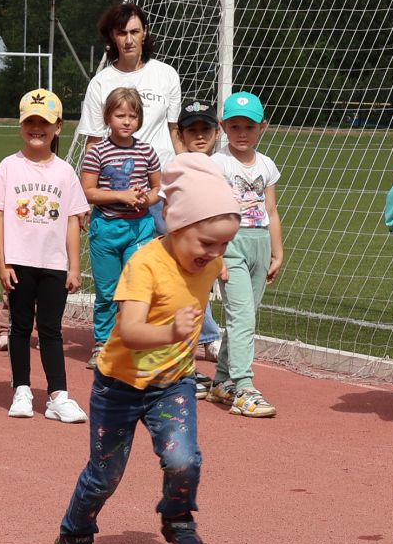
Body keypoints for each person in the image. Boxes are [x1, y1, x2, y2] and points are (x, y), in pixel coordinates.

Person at [54, 156, 239, 544]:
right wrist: (172, 331)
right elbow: (132, 331)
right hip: (118, 386)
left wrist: (220, 260)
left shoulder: (207, 260)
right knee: (105, 475)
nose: (214, 254)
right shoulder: (145, 265)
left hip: (171, 385)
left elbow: (212, 257)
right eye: (208, 243)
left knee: (184, 460)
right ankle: (75, 535)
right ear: (176, 226)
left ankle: (178, 518)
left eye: (224, 245)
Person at [0, 89, 89, 422]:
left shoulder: (65, 172)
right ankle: (22, 390)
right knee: (19, 327)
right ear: (20, 125)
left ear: (57, 127)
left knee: (51, 330)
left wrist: (74, 266)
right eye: (30, 121)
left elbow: (73, 220)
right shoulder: (8, 167)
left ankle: (58, 394)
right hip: (19, 261)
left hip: (54, 264)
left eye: (44, 122)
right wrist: (2, 262)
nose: (37, 128)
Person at [210, 89, 284, 416]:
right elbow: (209, 211)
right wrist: (215, 254)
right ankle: (243, 387)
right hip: (231, 244)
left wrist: (277, 252)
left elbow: (272, 209)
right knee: (242, 317)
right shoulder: (217, 163)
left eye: (249, 127)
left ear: (262, 128)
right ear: (223, 127)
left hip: (260, 242)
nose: (242, 133)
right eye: (235, 126)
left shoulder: (266, 165)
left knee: (245, 317)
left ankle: (222, 380)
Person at [80, 86, 162, 348]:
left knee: (136, 288)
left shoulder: (147, 152)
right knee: (107, 292)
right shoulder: (97, 152)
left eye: (133, 116)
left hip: (140, 227)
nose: (127, 121)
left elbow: (159, 187)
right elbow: (88, 192)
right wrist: (121, 196)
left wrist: (146, 199)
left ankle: (132, 340)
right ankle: (102, 343)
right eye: (120, 115)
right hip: (106, 229)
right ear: (107, 117)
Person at [71, 1, 182, 167]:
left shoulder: (167, 74)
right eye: (122, 33)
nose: (129, 40)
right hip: (119, 179)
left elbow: (175, 130)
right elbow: (94, 140)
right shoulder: (100, 83)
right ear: (113, 36)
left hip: (162, 178)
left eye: (134, 32)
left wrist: (188, 169)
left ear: (144, 32)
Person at [169, 100, 225, 360]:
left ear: (217, 132)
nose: (200, 135)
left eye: (206, 128)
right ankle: (185, 358)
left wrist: (219, 253)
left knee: (200, 297)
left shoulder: (222, 169)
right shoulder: (175, 169)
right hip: (181, 248)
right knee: (181, 299)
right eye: (192, 130)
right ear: (181, 135)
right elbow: (166, 211)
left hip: (212, 249)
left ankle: (208, 340)